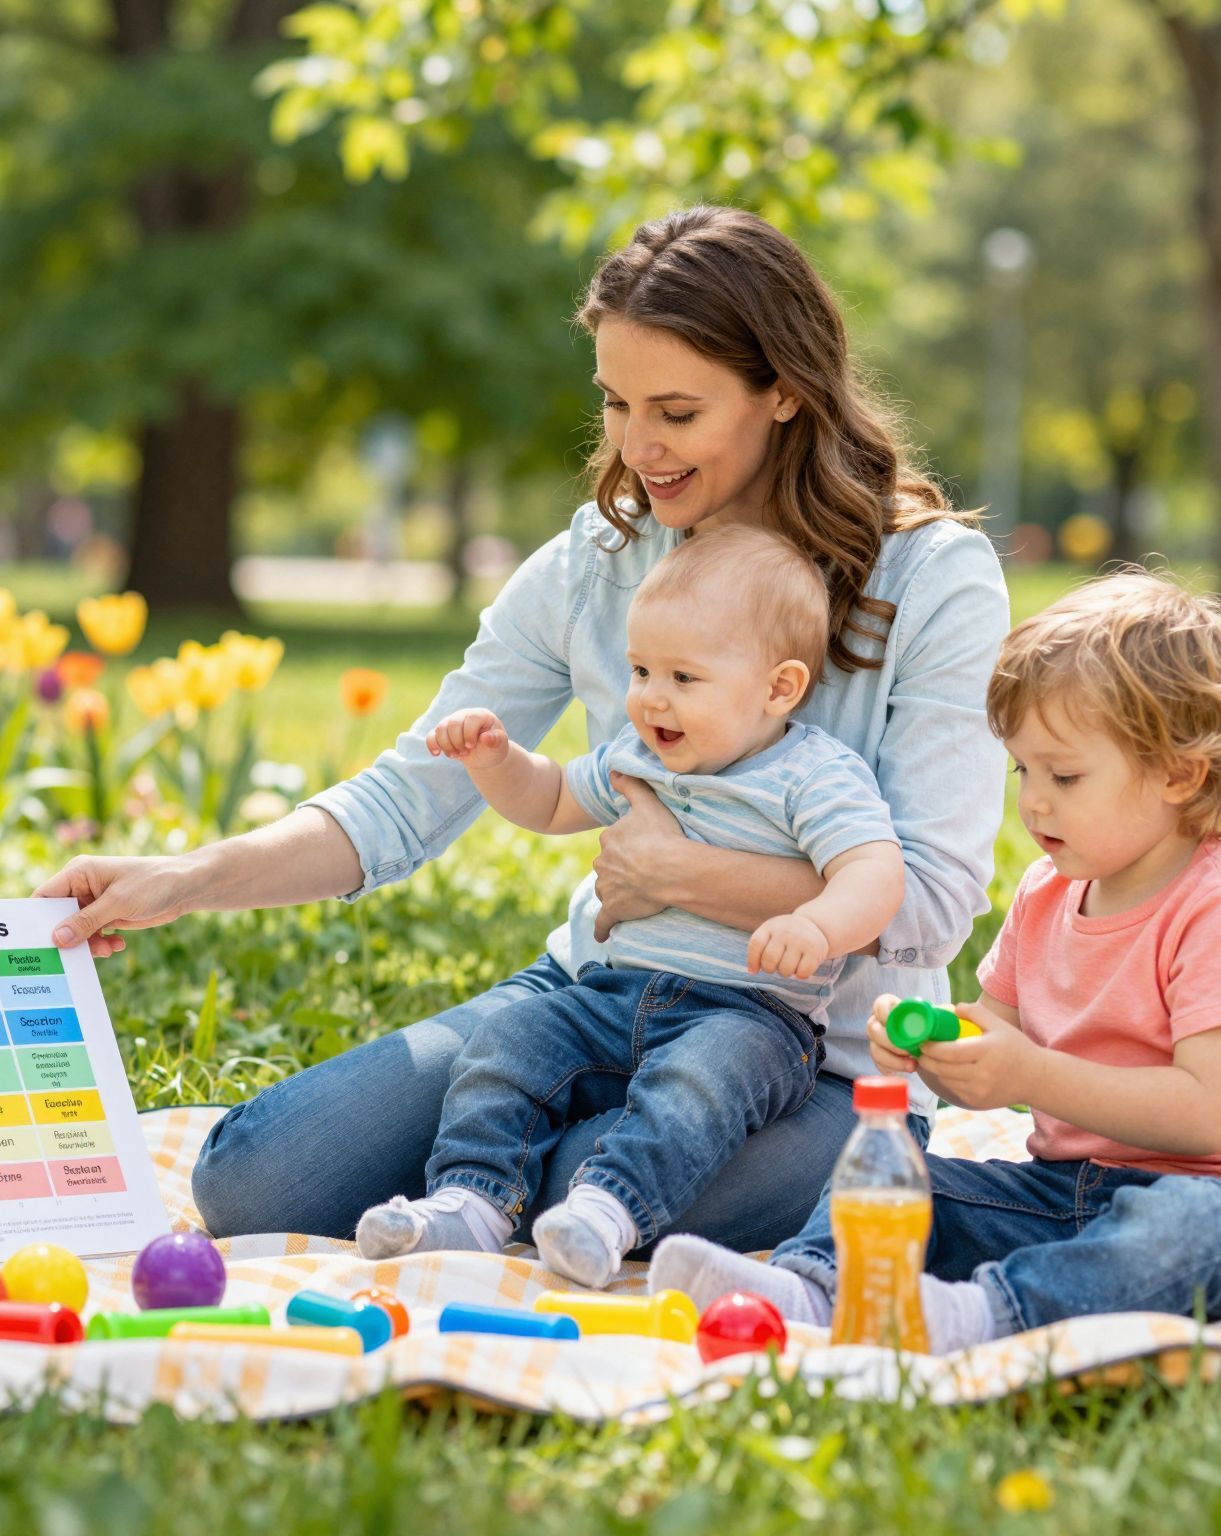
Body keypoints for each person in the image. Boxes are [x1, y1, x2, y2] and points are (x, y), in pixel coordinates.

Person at [35, 205, 1011, 1250]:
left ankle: (523, 1185)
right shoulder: (599, 559)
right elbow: (409, 796)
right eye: (616, 403)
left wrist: (676, 874)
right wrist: (184, 879)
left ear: (782, 390)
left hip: (816, 1057)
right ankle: (510, 1175)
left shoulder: (929, 578)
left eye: (676, 412)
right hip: (595, 999)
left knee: (573, 1186)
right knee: (253, 1183)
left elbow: (932, 903)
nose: (638, 449)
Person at [651, 572, 1221, 1349]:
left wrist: (1029, 1074)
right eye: (1024, 772)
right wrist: (931, 1041)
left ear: (1180, 774)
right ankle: (814, 1286)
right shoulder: (1047, 892)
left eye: (1064, 776)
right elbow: (989, 1033)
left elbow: (1209, 1115)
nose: (1034, 802)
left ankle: (989, 1314)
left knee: (1182, 1230)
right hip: (1066, 1191)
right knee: (912, 1180)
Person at [357, 526, 904, 1285]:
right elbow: (550, 801)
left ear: (779, 689)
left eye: (684, 677)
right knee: (510, 1042)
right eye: (642, 668)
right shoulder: (637, 754)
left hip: (748, 1016)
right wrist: (497, 761)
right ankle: (471, 1203)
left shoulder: (812, 775)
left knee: (695, 1089)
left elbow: (875, 870)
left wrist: (816, 924)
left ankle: (605, 1214)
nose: (650, 696)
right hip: (614, 992)